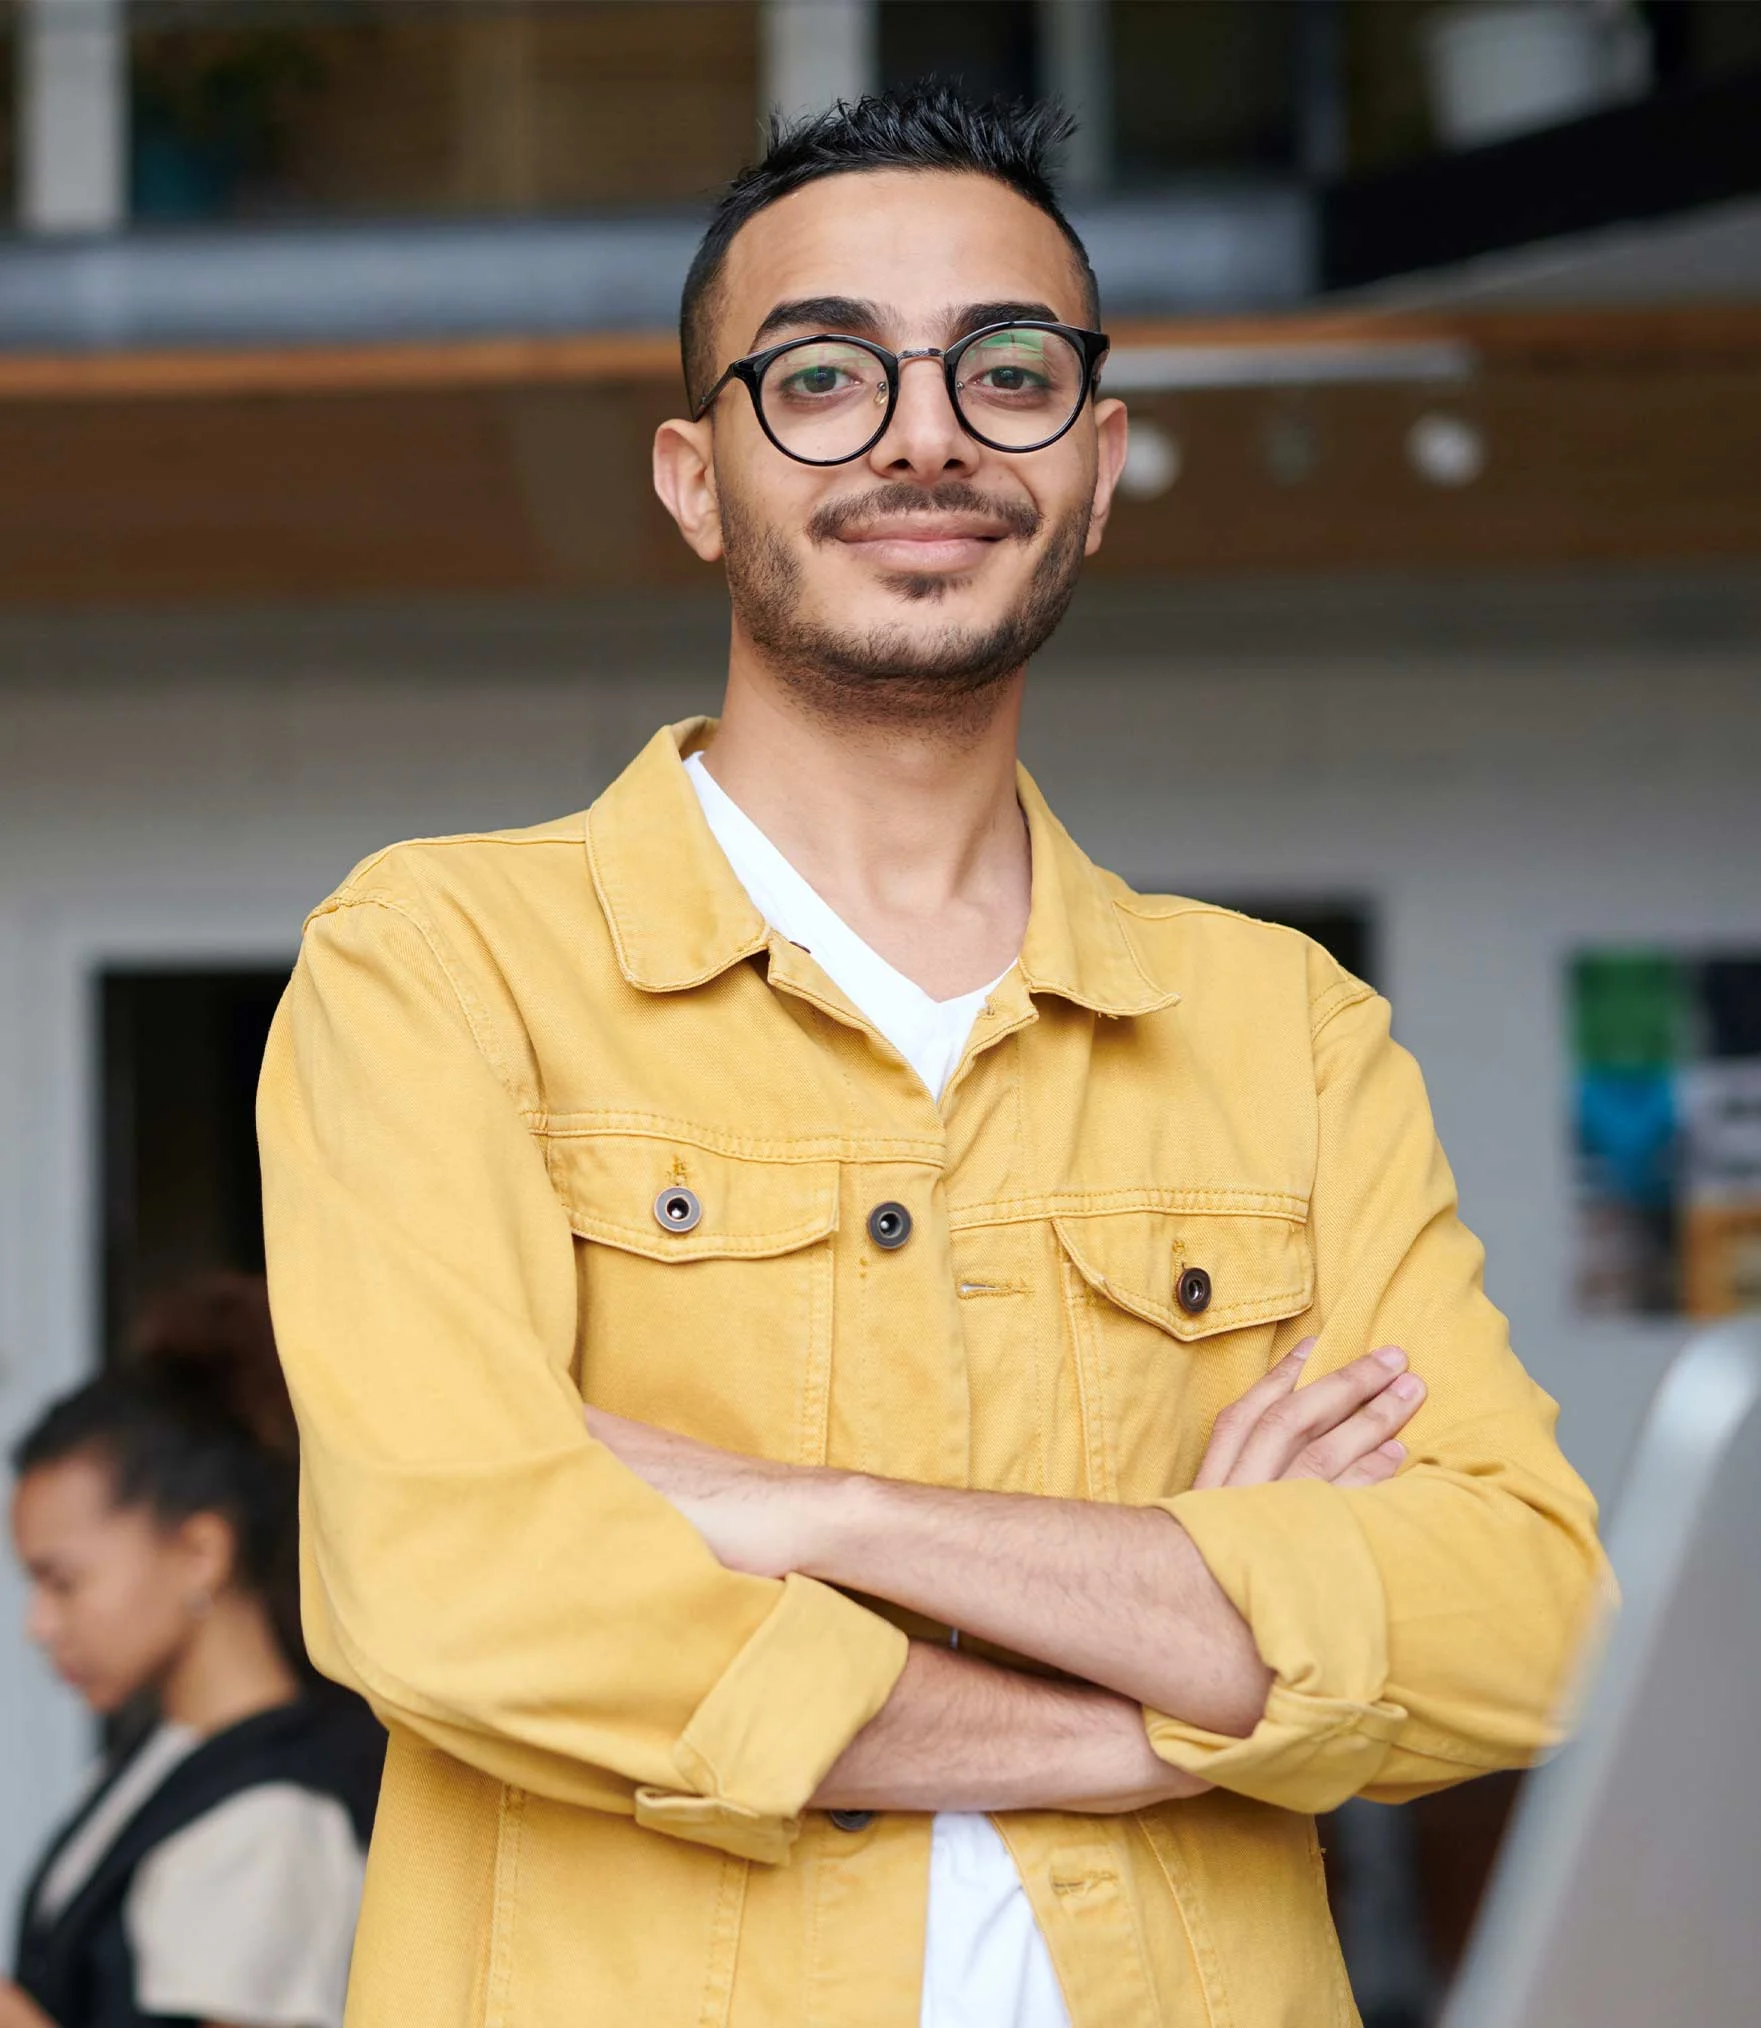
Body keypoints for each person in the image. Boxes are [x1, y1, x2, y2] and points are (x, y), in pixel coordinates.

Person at [256, 86, 1609, 2028]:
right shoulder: (440, 970)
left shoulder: (1282, 1035)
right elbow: (461, 1590)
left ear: (1098, 457)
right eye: (820, 374)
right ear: (694, 475)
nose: (923, 433)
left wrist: (824, 1519)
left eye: (1006, 369)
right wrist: (1173, 1694)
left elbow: (1520, 1623)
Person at [5, 1276, 383, 2028]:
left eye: (65, 1582)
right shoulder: (167, 1755)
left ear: (201, 1552)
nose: (38, 1624)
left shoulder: (277, 1812)